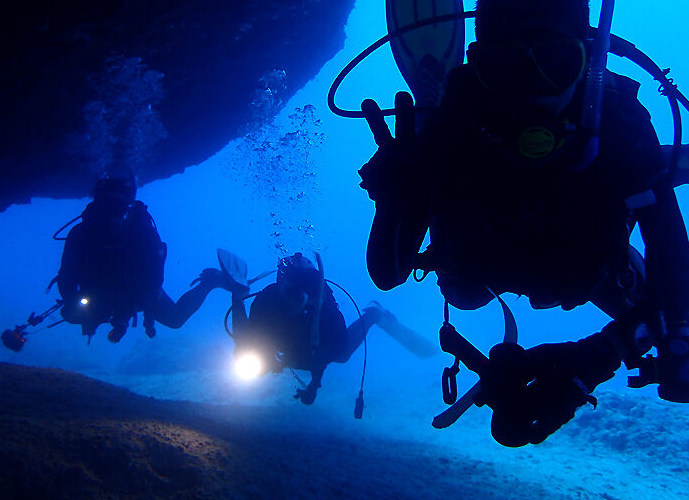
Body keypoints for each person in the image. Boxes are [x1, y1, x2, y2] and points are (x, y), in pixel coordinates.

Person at [358, 0, 689, 445]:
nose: (530, 96)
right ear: (478, 67)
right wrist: (397, 198)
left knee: (663, 309)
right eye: (504, 69)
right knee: (463, 292)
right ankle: (434, 101)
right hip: (476, 266)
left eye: (555, 65)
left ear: (588, 62)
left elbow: (684, 317)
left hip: (587, 271)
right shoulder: (455, 125)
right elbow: (388, 273)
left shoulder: (622, 128)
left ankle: (610, 267)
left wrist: (592, 361)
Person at [216, 252, 434, 405]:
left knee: (341, 355)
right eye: (285, 296)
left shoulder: (324, 310)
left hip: (312, 346)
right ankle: (240, 297)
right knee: (246, 352)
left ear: (308, 298)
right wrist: (239, 298)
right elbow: (245, 338)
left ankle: (373, 316)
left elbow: (329, 351)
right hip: (286, 345)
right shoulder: (267, 300)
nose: (289, 303)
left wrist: (314, 384)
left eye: (295, 298)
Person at [55, 166, 219, 342]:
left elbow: (156, 273)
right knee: (71, 314)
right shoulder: (80, 234)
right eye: (107, 207)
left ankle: (209, 283)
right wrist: (73, 302)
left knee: (174, 319)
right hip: (96, 293)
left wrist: (145, 305)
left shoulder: (141, 230)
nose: (110, 217)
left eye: (116, 208)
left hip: (136, 291)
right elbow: (66, 276)